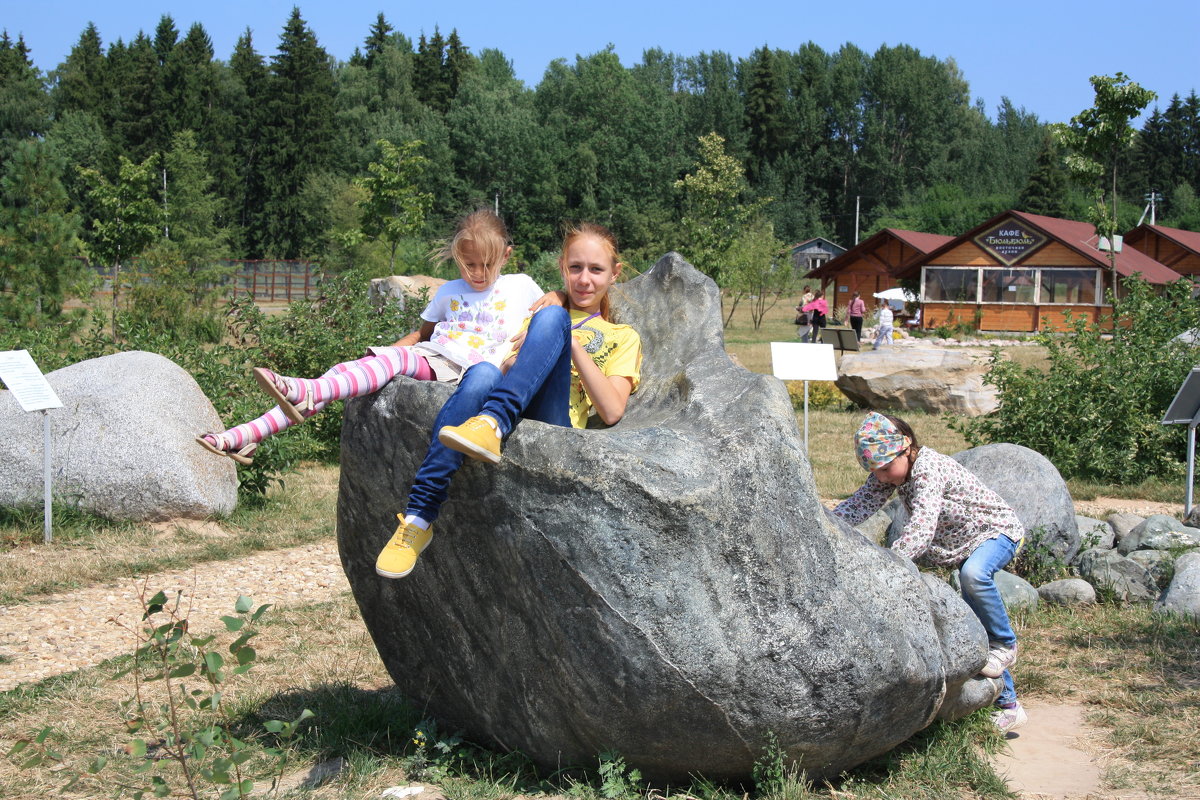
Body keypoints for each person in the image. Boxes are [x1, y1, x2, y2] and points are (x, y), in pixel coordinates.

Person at [376, 222, 642, 579]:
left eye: (596, 270)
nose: (584, 279)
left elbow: (611, 411)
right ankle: (418, 517)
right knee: (483, 372)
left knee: (552, 319)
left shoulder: (621, 336)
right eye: (576, 268)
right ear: (563, 266)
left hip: (554, 417)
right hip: (510, 392)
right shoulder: (530, 309)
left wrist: (571, 343)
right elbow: (502, 360)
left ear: (614, 274)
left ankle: (492, 422)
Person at [196, 210, 554, 464]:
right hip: (433, 355)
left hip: (464, 370)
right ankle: (246, 436)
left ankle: (304, 394)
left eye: (487, 264)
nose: (478, 273)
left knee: (381, 366)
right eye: (469, 264)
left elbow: (559, 322)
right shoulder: (449, 291)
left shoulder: (519, 285)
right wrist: (376, 359)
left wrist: (560, 298)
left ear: (506, 255)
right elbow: (420, 336)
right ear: (457, 258)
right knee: (342, 371)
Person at [832, 412, 1027, 733]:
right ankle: (1009, 705)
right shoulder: (894, 473)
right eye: (873, 471)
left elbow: (922, 524)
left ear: (906, 446)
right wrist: (823, 523)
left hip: (996, 532)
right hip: (965, 547)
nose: (880, 477)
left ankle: (1007, 644)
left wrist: (892, 565)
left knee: (975, 576)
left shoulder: (927, 469)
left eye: (883, 468)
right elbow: (858, 506)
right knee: (975, 620)